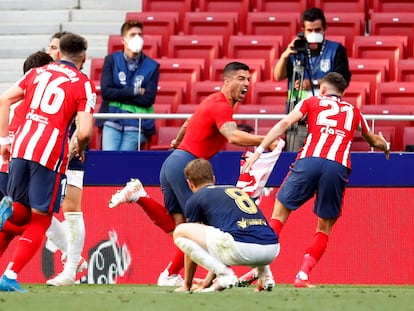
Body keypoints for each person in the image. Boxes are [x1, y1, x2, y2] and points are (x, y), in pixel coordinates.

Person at [108, 61, 278, 286]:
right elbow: (233, 137)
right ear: (226, 82)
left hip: (173, 163)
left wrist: (177, 141)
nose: (246, 83)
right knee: (200, 230)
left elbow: (188, 122)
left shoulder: (212, 100)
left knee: (180, 229)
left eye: (248, 79)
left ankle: (141, 198)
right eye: (241, 79)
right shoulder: (222, 106)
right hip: (188, 166)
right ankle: (191, 276)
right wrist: (266, 140)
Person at [241, 72, 390, 288]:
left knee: (280, 212)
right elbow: (373, 140)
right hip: (337, 166)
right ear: (343, 93)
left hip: (309, 160)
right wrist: (385, 145)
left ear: (322, 89)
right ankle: (302, 276)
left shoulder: (311, 101)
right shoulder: (354, 112)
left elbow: (285, 122)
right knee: (324, 227)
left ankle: (260, 268)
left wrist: (260, 149)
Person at [0, 32, 95, 292]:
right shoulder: (83, 83)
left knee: (20, 214)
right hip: (51, 153)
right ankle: (11, 275)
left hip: (20, 147)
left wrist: (4, 142)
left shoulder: (37, 73)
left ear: (59, 52)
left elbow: (5, 99)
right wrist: (79, 146)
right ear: (83, 56)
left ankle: (6, 215)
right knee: (42, 219)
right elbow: (85, 131)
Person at [173, 158, 279, 293]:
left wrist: (187, 285)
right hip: (271, 250)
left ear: (190, 184)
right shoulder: (235, 190)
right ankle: (265, 276)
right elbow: (222, 244)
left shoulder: (196, 199)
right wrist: (207, 282)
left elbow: (194, 245)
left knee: (181, 231)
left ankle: (225, 276)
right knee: (237, 234)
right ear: (213, 178)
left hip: (242, 249)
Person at [45, 32, 89, 286]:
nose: (52, 52)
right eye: (50, 47)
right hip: (42, 151)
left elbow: (82, 122)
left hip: (69, 151)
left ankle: (71, 269)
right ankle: (74, 258)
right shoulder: (40, 77)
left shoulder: (78, 82)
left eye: (55, 47)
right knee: (35, 208)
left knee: (71, 209)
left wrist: (74, 145)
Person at [274, 7, 352, 151]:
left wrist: (313, 83)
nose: (314, 34)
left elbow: (343, 79)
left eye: (317, 30)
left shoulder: (336, 50)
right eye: (310, 30)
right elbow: (278, 76)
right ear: (303, 30)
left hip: (326, 119)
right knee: (295, 161)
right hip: (297, 118)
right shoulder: (296, 50)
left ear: (324, 29)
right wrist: (285, 55)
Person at [98, 19, 159, 151]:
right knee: (109, 159)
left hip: (137, 124)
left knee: (124, 163)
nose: (137, 38)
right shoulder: (111, 60)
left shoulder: (152, 66)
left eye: (140, 35)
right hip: (112, 120)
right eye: (132, 35)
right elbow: (106, 92)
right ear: (123, 40)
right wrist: (135, 91)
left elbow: (148, 99)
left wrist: (119, 93)